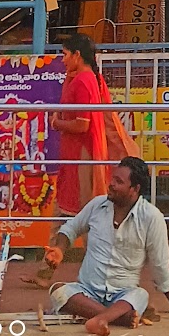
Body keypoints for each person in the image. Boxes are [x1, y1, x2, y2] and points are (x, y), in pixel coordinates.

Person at [45, 156, 169, 334]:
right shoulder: (97, 205)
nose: (111, 184)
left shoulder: (152, 217)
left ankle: (100, 317)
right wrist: (59, 250)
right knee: (58, 290)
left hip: (123, 295)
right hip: (87, 291)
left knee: (141, 295)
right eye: (113, 178)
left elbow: (160, 265)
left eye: (119, 181)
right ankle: (117, 318)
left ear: (134, 189)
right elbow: (70, 229)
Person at [52, 34, 109, 215]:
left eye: (65, 54)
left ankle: (63, 243)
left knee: (84, 211)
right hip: (77, 153)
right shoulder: (85, 78)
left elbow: (82, 125)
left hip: (82, 153)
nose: (63, 60)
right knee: (71, 210)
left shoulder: (84, 81)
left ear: (77, 55)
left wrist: (56, 123)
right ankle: (58, 243)